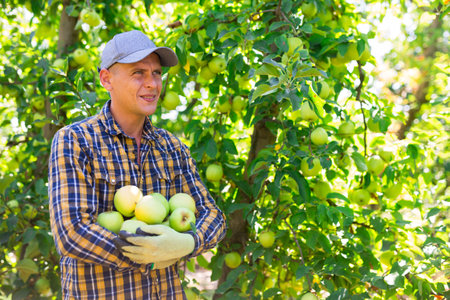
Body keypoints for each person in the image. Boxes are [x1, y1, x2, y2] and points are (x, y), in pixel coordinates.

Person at [48, 30, 227, 299]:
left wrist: (187, 242)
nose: (153, 84)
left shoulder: (172, 148)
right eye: (138, 73)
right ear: (106, 79)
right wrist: (152, 254)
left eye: (156, 73)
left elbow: (212, 216)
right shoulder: (75, 141)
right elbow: (73, 232)